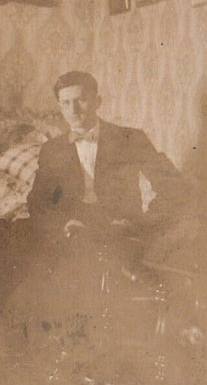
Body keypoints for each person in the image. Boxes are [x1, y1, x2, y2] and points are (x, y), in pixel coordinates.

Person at [26, 70, 192, 283]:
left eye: (80, 101)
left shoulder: (130, 138)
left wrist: (140, 223)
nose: (73, 111)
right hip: (72, 231)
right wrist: (63, 223)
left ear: (97, 102)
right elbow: (36, 202)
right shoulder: (52, 149)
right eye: (65, 103)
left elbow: (174, 187)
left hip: (119, 230)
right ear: (59, 106)